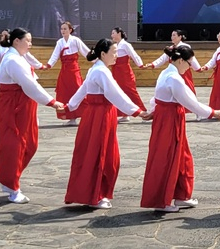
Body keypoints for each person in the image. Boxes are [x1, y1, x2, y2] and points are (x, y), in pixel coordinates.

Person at [0, 28, 65, 203]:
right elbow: (29, 85)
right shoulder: (12, 60)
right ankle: (12, 187)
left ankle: (8, 178)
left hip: (24, 107)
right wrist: (52, 102)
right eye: (28, 40)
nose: (30, 44)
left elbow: (1, 80)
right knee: (14, 147)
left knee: (30, 145)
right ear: (16, 41)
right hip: (14, 109)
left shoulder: (18, 58)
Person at [64, 38, 149, 209]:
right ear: (103, 54)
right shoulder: (101, 71)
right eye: (114, 52)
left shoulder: (97, 69)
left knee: (95, 153)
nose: (117, 55)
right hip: (100, 116)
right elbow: (115, 94)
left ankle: (93, 193)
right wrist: (137, 111)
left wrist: (70, 105)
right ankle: (96, 195)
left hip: (96, 115)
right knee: (102, 154)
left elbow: (83, 90)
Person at [140, 45, 220, 212]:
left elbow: (157, 98)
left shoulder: (166, 73)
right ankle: (163, 200)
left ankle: (181, 195)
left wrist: (154, 110)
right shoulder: (175, 79)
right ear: (180, 60)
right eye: (188, 62)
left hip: (169, 118)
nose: (190, 66)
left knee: (181, 157)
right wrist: (213, 112)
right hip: (170, 120)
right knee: (167, 157)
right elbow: (191, 103)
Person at [45, 21, 90, 125]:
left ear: (70, 30)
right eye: (62, 29)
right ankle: (71, 117)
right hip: (64, 71)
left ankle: (87, 114)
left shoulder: (75, 40)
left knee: (78, 90)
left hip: (74, 70)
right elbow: (55, 55)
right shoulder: (60, 42)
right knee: (65, 92)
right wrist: (49, 65)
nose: (63, 31)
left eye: (65, 29)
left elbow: (86, 52)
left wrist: (96, 59)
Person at [145, 30, 201, 95]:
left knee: (187, 90)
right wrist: (152, 64)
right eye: (171, 35)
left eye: (174, 35)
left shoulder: (185, 47)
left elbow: (191, 58)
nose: (172, 37)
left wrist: (198, 68)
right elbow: (162, 59)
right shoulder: (171, 48)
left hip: (184, 72)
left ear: (180, 37)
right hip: (174, 72)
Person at [109, 27, 145, 121]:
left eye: (113, 33)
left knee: (130, 91)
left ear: (119, 33)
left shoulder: (125, 44)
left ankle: (143, 111)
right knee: (118, 92)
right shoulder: (113, 45)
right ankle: (124, 114)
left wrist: (140, 65)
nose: (112, 35)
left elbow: (134, 55)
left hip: (125, 72)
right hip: (116, 71)